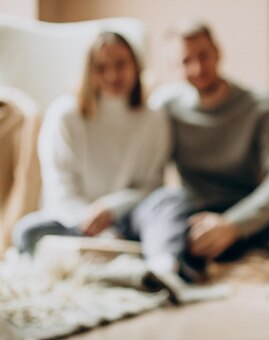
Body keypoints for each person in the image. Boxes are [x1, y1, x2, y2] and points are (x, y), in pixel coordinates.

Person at [137, 22, 269, 282]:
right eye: (186, 61)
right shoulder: (165, 106)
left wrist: (233, 224)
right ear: (175, 66)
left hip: (249, 211)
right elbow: (147, 167)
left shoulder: (260, 105)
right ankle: (170, 267)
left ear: (218, 52)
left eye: (203, 55)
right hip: (196, 215)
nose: (197, 68)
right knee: (164, 213)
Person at [13, 32, 170, 254]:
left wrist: (111, 209)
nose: (113, 75)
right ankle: (121, 264)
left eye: (121, 64)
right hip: (75, 223)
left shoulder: (154, 118)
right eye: (101, 67)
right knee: (26, 232)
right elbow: (60, 190)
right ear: (89, 71)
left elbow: (152, 187)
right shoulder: (64, 115)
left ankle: (160, 267)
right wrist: (93, 222)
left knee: (170, 205)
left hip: (129, 220)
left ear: (136, 66)